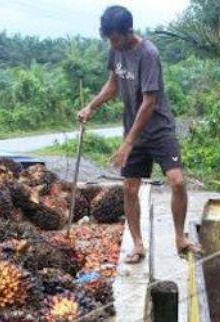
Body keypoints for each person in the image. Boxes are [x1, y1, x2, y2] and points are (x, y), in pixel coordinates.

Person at [77, 5, 201, 264]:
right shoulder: (116, 49)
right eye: (109, 38)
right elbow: (114, 84)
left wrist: (127, 143)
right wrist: (92, 106)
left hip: (158, 129)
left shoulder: (148, 54)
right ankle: (137, 245)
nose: (112, 43)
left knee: (177, 181)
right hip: (133, 130)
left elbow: (149, 103)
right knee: (130, 188)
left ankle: (180, 237)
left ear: (128, 31)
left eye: (115, 38)